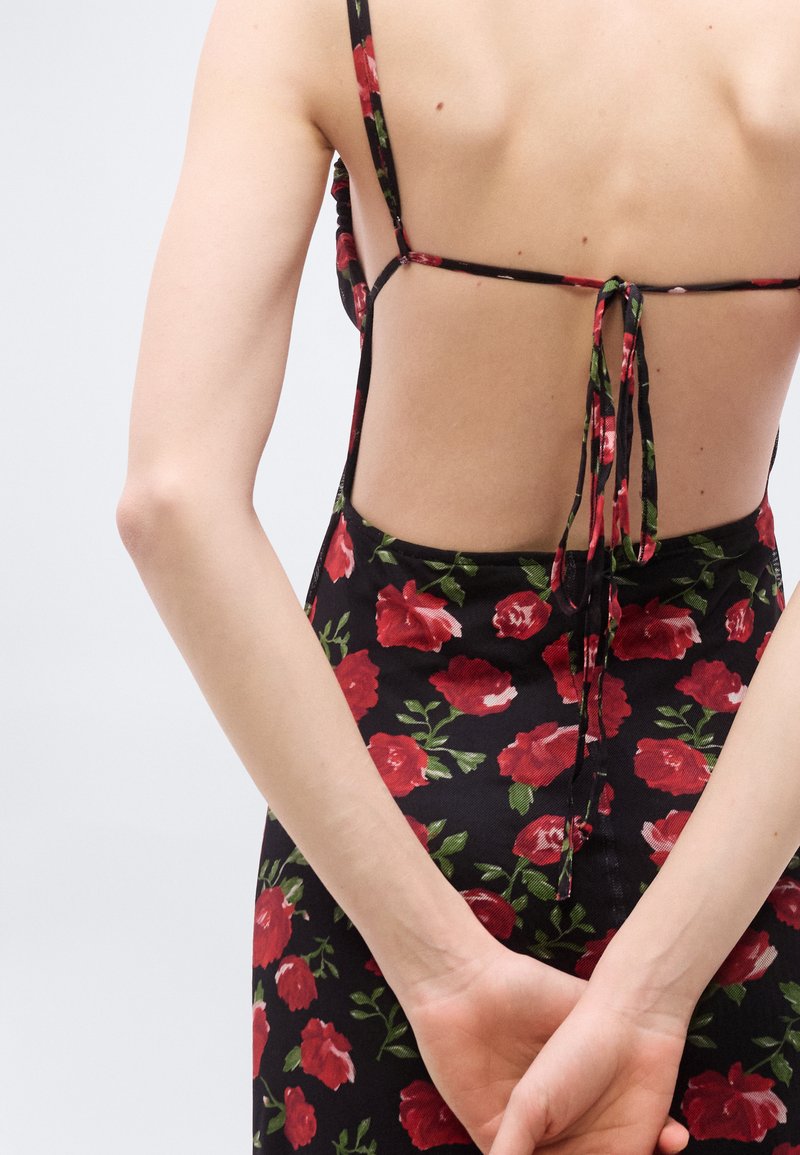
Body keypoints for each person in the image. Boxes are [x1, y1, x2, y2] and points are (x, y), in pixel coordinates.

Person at [116, 2, 800, 1151]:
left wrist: (434, 968)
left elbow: (172, 498)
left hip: (387, 824)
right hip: (736, 820)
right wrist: (652, 990)